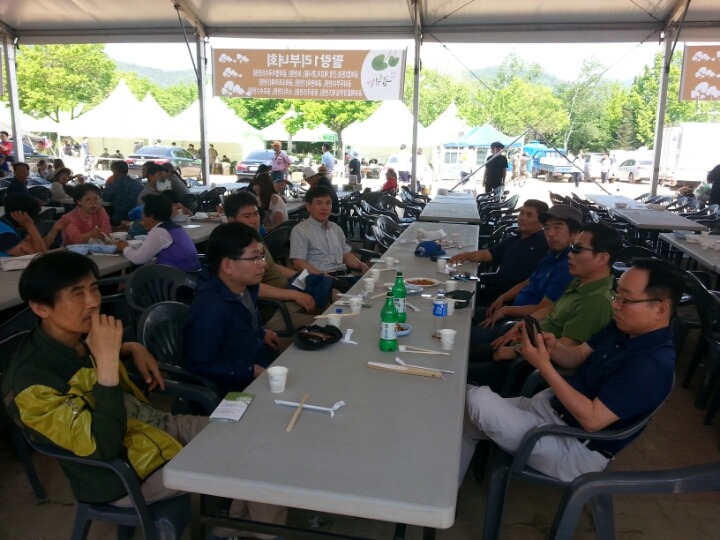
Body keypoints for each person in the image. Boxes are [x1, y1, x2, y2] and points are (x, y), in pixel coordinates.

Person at [1, 251, 287, 537]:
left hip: (156, 427)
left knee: (258, 438)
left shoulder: (77, 335)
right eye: (77, 294)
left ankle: (233, 529)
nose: (93, 302)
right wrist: (107, 366)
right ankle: (254, 531)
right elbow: (103, 448)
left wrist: (131, 347)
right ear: (41, 307)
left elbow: (94, 360)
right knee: (255, 461)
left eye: (94, 289)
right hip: (129, 473)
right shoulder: (32, 386)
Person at [460, 258, 681, 483]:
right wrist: (554, 349)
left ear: (660, 309)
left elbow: (592, 420)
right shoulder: (622, 329)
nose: (616, 304)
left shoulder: (652, 365)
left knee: (477, 399)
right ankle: (444, 496)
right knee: (460, 409)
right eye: (617, 294)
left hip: (573, 446)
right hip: (549, 411)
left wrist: (544, 365)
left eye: (626, 299)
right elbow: (578, 355)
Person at [469, 223, 621, 392]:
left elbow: (567, 348)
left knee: (460, 368)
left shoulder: (596, 301)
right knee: (464, 348)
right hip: (523, 344)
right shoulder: (582, 281)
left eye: (577, 249)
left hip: (522, 367)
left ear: (602, 258)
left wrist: (515, 351)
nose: (570, 254)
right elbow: (552, 308)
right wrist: (523, 324)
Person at [184, 222, 280, 394]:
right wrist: (251, 370)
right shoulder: (211, 309)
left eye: (262, 256)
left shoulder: (245, 286)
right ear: (228, 265)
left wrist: (261, 332)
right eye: (254, 258)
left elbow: (238, 327)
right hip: (234, 389)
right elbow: (199, 364)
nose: (263, 264)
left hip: (256, 361)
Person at [224, 192, 319, 348]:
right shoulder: (234, 248)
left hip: (286, 292)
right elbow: (248, 288)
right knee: (327, 318)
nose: (254, 220)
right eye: (247, 216)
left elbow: (272, 265)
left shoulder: (253, 237)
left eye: (256, 214)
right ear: (231, 220)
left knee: (327, 293)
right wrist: (295, 295)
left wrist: (302, 276)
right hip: (271, 308)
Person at [449, 200, 550, 305]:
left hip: (511, 300)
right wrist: (466, 255)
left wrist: (503, 300)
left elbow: (531, 283)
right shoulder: (515, 238)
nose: (522, 218)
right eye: (521, 213)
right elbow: (488, 254)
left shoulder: (544, 245)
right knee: (453, 295)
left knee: (458, 305)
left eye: (529, 215)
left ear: (542, 221)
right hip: (494, 291)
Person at [290, 186, 367, 289]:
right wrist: (324, 276)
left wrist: (361, 265)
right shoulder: (300, 230)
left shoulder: (335, 228)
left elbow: (345, 254)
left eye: (328, 203)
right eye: (319, 203)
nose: (324, 208)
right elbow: (298, 263)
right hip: (320, 280)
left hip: (343, 276)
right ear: (308, 207)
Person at [115, 194, 201, 272]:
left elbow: (138, 259)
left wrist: (125, 247)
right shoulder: (175, 227)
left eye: (143, 214)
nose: (142, 218)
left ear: (152, 217)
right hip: (192, 275)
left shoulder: (159, 232)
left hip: (178, 279)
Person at [0, 195, 67, 257]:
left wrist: (55, 229)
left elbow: (40, 246)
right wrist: (30, 226)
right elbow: (40, 254)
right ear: (25, 216)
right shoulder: (5, 235)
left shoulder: (10, 224)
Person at [101, 160, 144, 227]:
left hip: (118, 219)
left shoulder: (113, 185)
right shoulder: (138, 185)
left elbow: (105, 198)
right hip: (136, 217)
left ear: (116, 171)